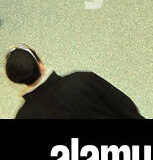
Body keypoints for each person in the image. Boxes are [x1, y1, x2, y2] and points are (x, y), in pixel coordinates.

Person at [5, 47, 143, 119]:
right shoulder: (82, 81)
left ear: (15, 81)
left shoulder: (25, 116)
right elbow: (126, 108)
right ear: (40, 65)